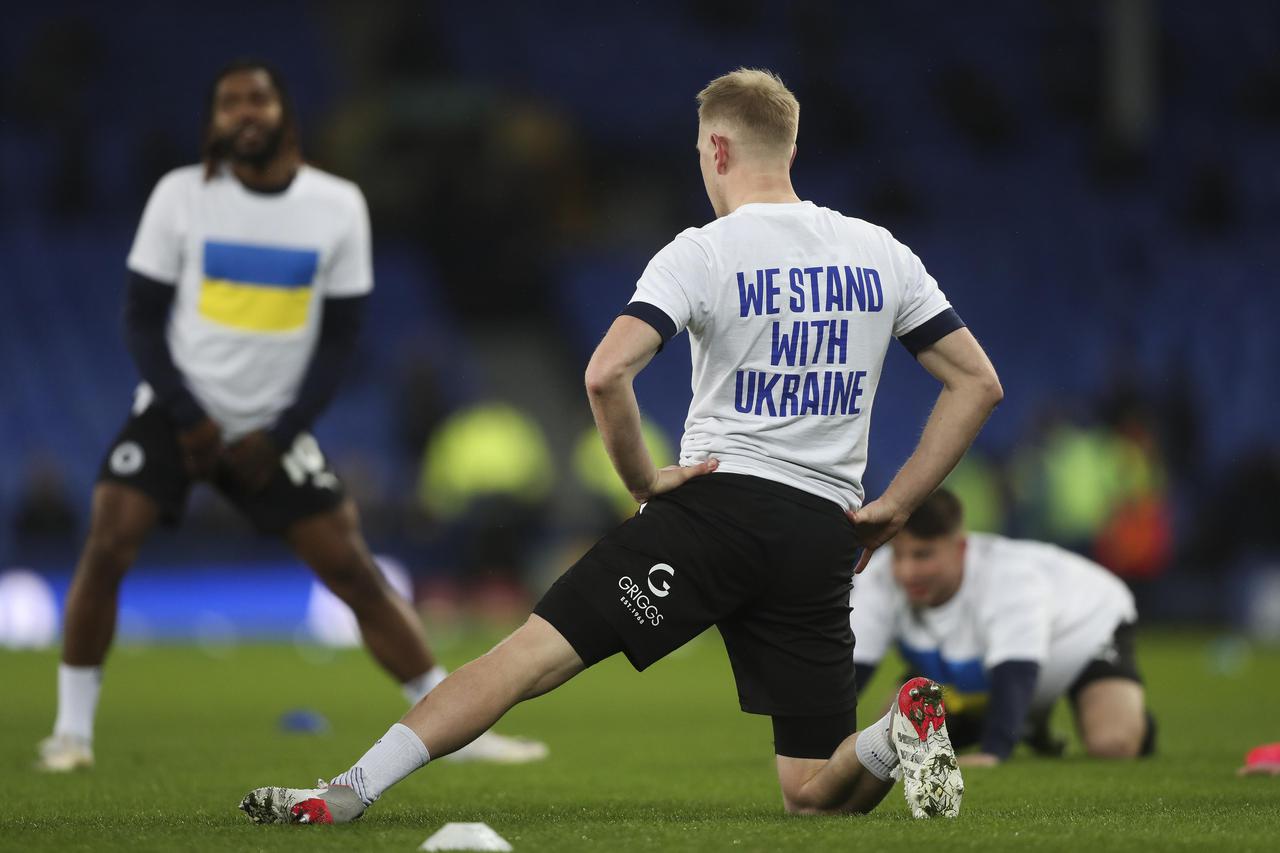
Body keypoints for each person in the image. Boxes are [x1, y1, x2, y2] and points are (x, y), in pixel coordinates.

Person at [239, 67, 1003, 825]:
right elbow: (977, 383)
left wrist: (644, 480)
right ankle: (895, 727)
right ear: (790, 150)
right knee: (810, 790)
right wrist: (897, 506)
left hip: (714, 514)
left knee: (524, 658)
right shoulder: (882, 252)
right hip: (822, 533)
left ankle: (347, 792)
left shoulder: (702, 251)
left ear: (717, 151)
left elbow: (607, 372)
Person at [36, 59, 545, 772]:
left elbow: (340, 339)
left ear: (284, 114)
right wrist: (187, 415)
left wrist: (277, 433)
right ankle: (71, 734)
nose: (242, 113)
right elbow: (142, 323)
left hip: (268, 427)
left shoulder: (336, 206)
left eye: (256, 99)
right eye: (227, 103)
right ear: (215, 121)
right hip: (176, 413)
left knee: (354, 571)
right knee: (108, 541)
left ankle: (457, 725)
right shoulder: (181, 196)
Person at [851, 489, 1156, 766]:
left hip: (1083, 630)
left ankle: (1020, 720)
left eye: (923, 555)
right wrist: (814, 747)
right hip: (974, 664)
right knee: (891, 745)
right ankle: (1023, 724)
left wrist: (993, 752)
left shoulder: (1008, 578)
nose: (907, 571)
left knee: (1112, 745)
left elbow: (1016, 672)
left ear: (960, 547)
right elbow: (851, 669)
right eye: (899, 555)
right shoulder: (878, 577)